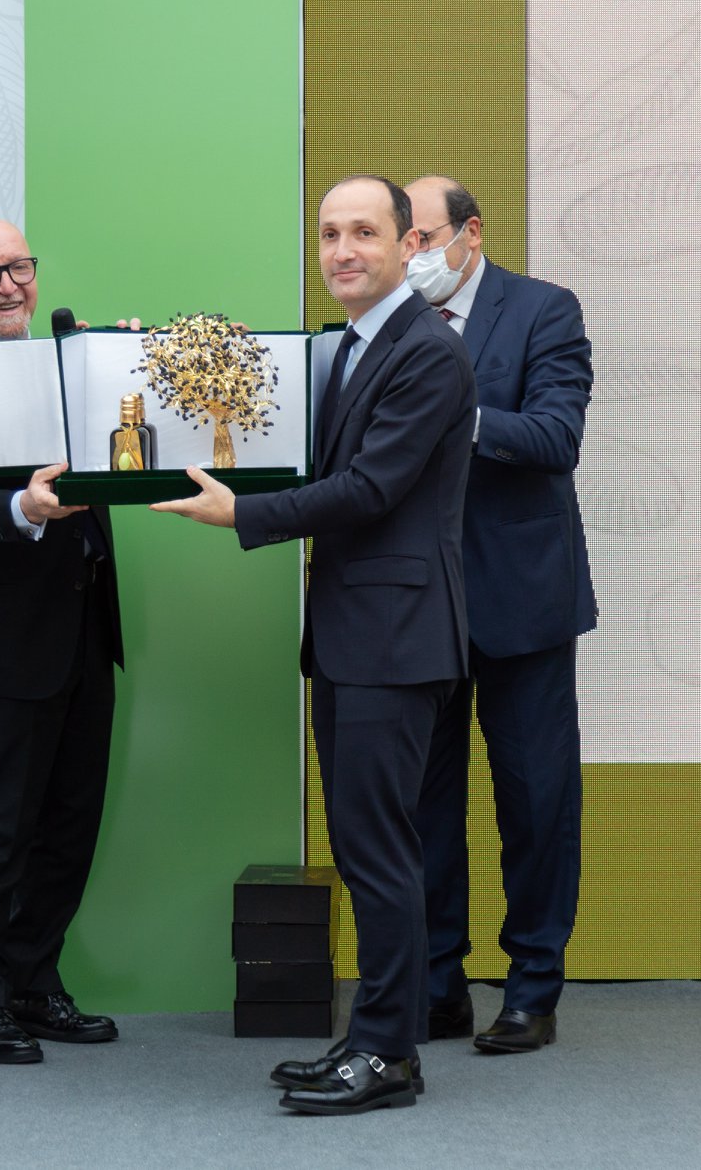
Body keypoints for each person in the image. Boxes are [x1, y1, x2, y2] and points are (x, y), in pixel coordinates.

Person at [154, 175, 474, 1115]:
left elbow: (371, 488)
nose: (342, 250)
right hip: (352, 637)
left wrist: (242, 514)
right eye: (330, 233)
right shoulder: (354, 346)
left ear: (408, 243)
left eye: (364, 232)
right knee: (366, 843)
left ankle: (387, 1053)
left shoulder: (426, 352)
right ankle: (376, 1037)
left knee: (380, 849)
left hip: (394, 640)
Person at [402, 175, 598, 1053]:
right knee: (424, 809)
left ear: (470, 232)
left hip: (522, 598)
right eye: (402, 239)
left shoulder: (544, 310)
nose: (411, 254)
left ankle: (532, 990)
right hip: (418, 604)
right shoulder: (390, 320)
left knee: (535, 801)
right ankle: (437, 984)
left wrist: (460, 416)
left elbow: (557, 436)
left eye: (423, 236)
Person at [0, 219, 125, 1065]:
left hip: (85, 631)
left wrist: (126, 367)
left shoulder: (69, 356)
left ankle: (33, 981)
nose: (6, 284)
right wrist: (24, 508)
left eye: (17, 267)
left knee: (70, 823)